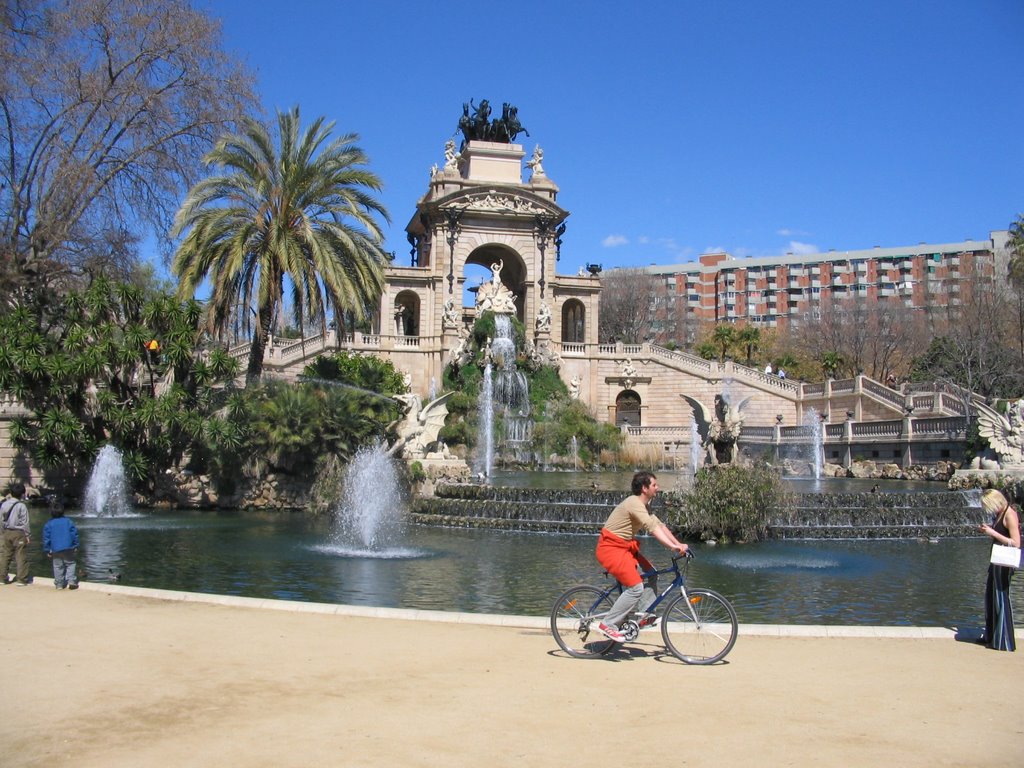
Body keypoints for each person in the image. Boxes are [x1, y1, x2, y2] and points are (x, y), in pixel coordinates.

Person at [594, 471, 688, 642]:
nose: (657, 488)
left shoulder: (644, 506)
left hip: (624, 548)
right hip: (611, 549)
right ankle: (608, 624)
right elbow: (652, 528)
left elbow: (659, 524)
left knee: (651, 572)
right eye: (654, 485)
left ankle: (645, 615)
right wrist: (672, 547)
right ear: (644, 488)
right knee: (636, 587)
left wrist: (679, 544)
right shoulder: (634, 503)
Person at [978, 489, 1020, 651]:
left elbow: (1016, 543)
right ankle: (993, 637)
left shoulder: (1010, 514)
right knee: (991, 597)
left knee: (1001, 599)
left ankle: (1004, 641)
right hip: (996, 561)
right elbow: (1001, 535)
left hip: (1004, 564)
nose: (989, 510)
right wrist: (990, 531)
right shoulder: (1000, 514)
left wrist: (992, 532)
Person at [42, 498, 79, 589]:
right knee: (70, 564)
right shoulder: (68, 522)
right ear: (63, 511)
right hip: (68, 547)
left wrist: (47, 549)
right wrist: (76, 545)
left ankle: (59, 584)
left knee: (57, 566)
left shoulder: (49, 524)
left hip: (55, 548)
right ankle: (71, 581)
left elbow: (46, 538)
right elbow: (74, 534)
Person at [0, 482, 33, 585]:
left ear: (11, 493)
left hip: (6, 532)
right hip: (19, 533)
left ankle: (2, 577)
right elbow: (25, 522)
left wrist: (2, 532)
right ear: (22, 494)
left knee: (5, 555)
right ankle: (21, 579)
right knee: (20, 556)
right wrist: (27, 535)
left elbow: (1, 520)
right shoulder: (21, 506)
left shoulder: (4, 504)